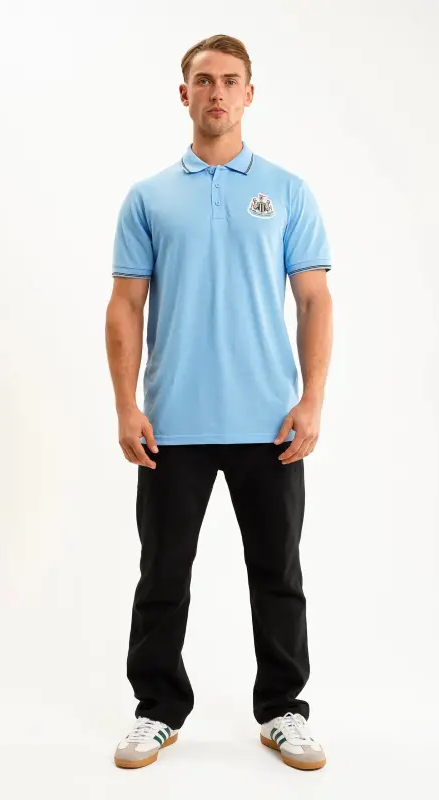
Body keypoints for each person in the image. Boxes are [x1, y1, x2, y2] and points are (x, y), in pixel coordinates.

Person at [105, 34, 333, 771]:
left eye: (231, 81)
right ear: (185, 94)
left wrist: (312, 400)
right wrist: (126, 406)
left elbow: (315, 300)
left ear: (249, 94)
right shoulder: (148, 197)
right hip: (172, 424)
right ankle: (157, 710)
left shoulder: (287, 191)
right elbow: (125, 306)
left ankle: (284, 710)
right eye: (204, 81)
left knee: (278, 574)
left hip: (270, 423)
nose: (217, 93)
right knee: (163, 574)